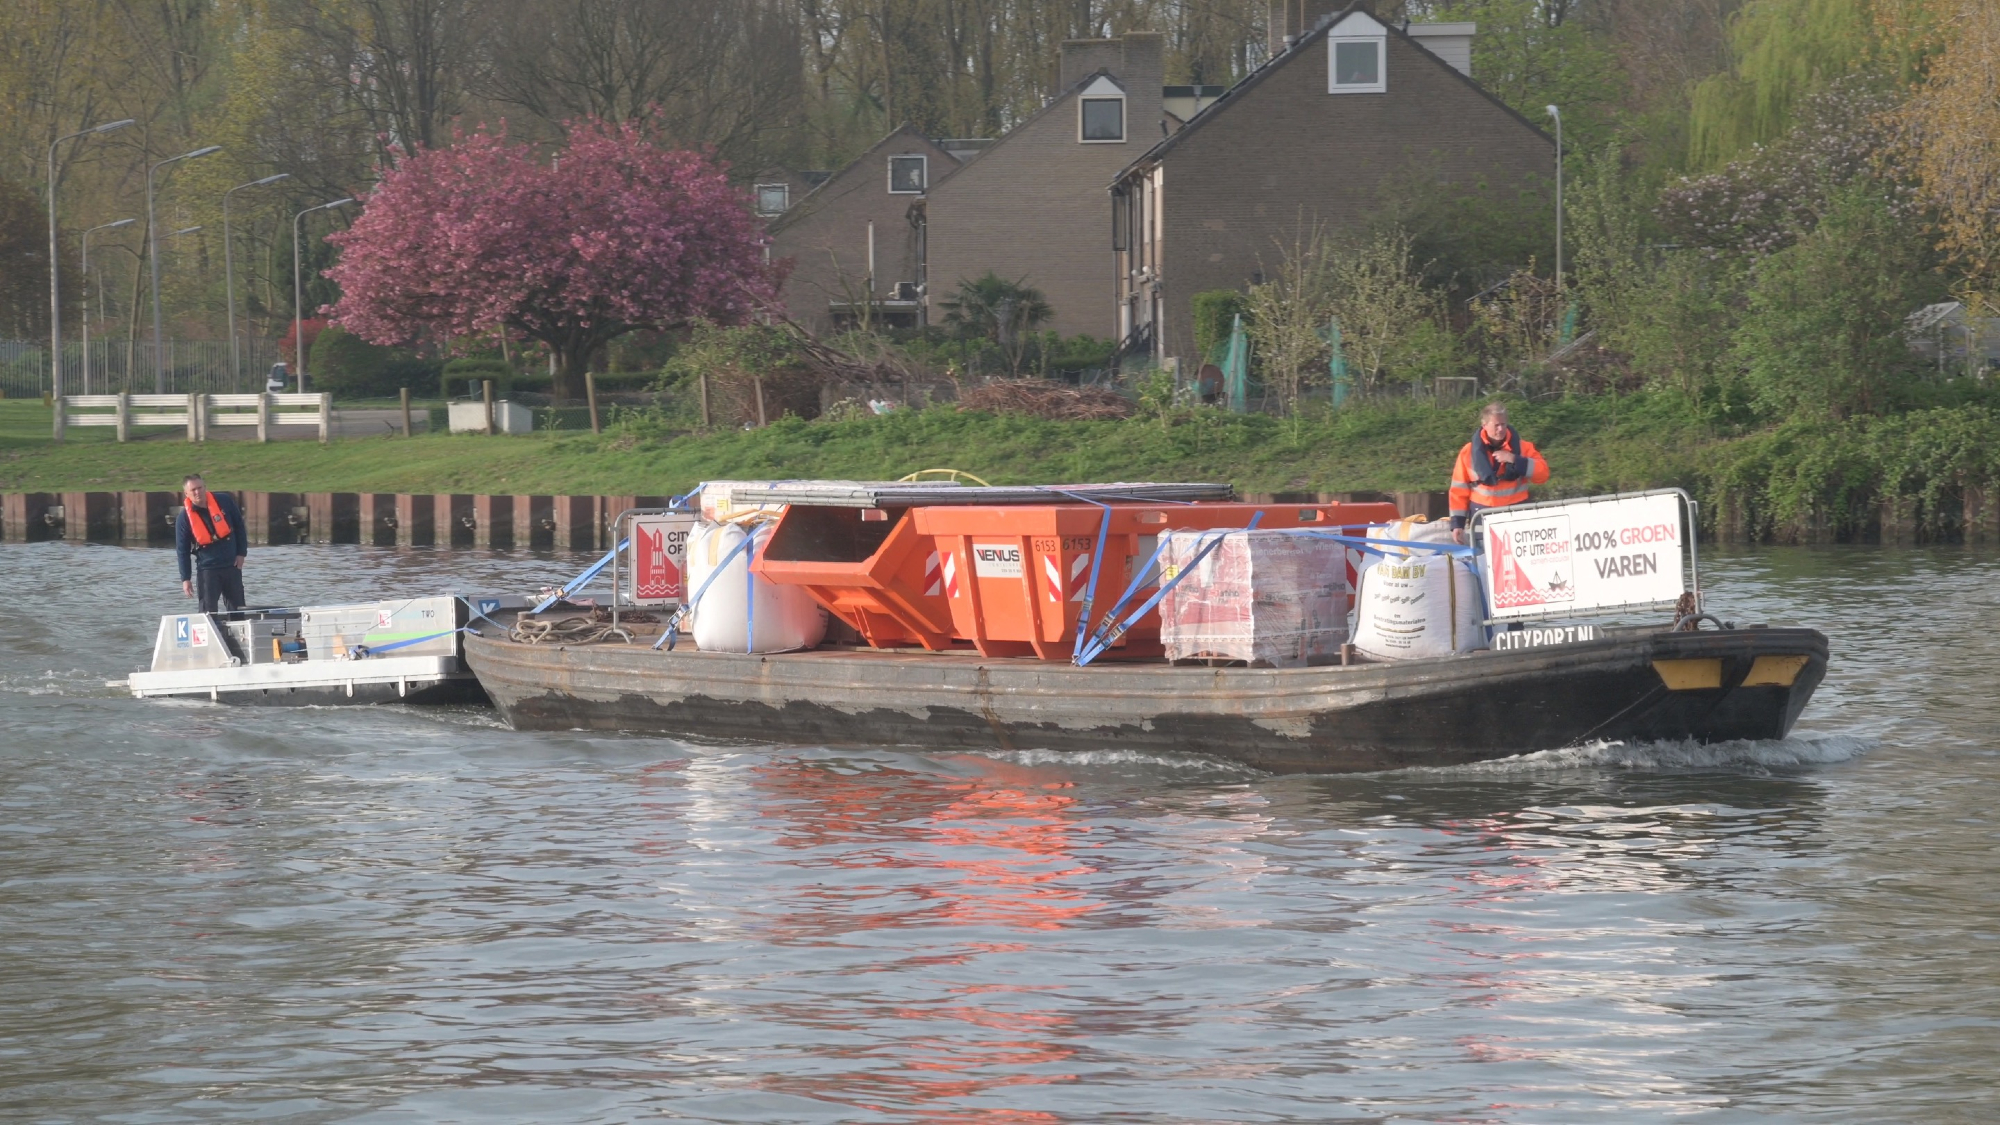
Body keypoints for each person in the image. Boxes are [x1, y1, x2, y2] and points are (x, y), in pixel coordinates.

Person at [1449, 402, 1550, 545]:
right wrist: (1457, 524)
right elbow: (1459, 490)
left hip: (1517, 515)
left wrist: (1515, 459)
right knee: (1484, 561)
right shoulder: (1468, 452)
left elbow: (1543, 474)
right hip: (1482, 517)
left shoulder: (1523, 448)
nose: (1501, 429)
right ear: (1484, 425)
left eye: (1503, 424)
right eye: (1496, 425)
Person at [175, 474, 249, 612]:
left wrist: (241, 553)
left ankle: (237, 633)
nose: (198, 492)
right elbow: (182, 551)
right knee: (207, 611)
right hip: (207, 570)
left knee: (238, 609)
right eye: (193, 490)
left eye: (200, 488)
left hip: (232, 565)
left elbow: (239, 527)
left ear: (205, 487)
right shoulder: (183, 518)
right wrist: (186, 578)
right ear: (186, 494)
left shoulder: (225, 501)